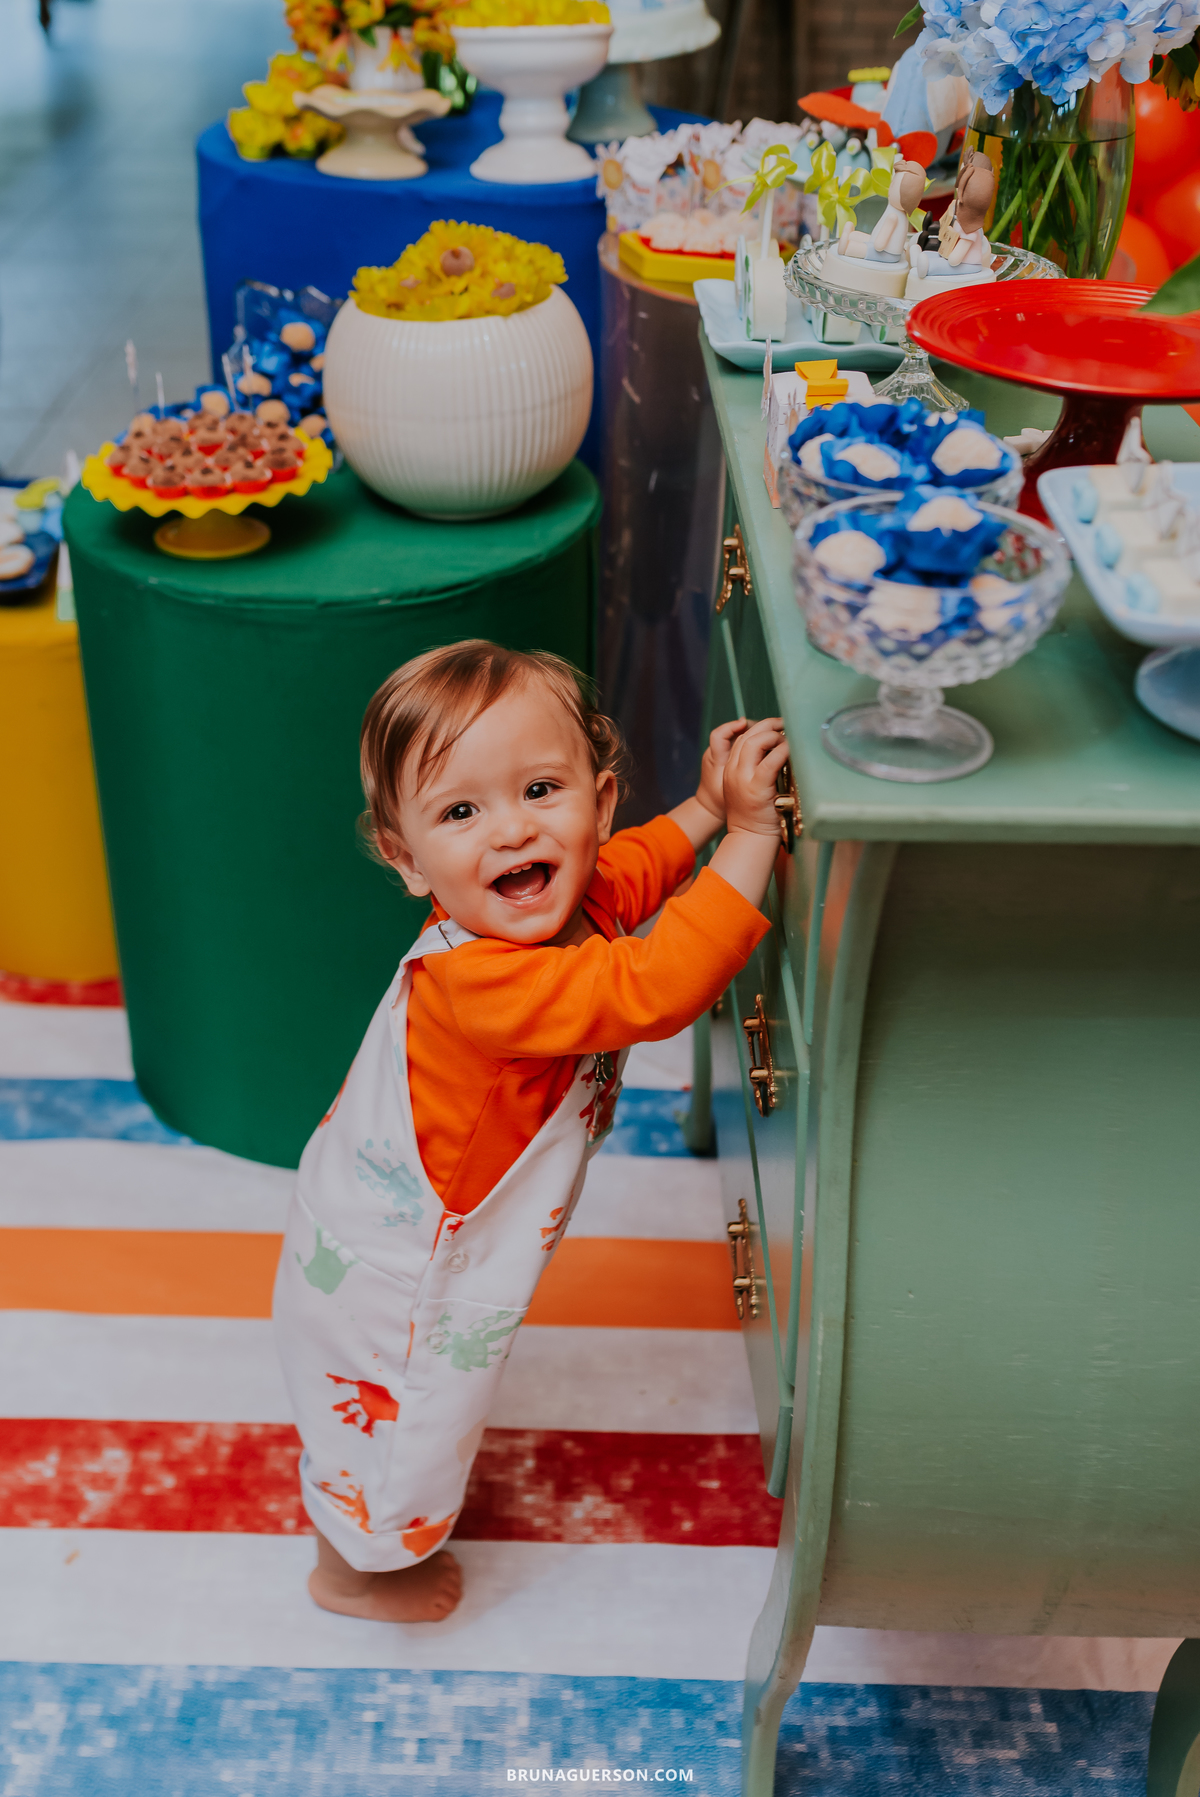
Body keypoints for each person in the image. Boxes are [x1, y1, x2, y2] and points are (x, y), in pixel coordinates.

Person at [272, 639, 789, 1623]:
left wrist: (708, 814)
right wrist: (754, 837)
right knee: (401, 1429)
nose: (511, 831)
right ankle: (354, 1571)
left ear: (598, 800)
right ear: (405, 855)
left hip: (394, 1225)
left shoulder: (557, 902)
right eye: (460, 812)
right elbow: (655, 984)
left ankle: (368, 1534)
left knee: (409, 1424)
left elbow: (629, 874)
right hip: (403, 1278)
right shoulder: (485, 984)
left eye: (540, 790)